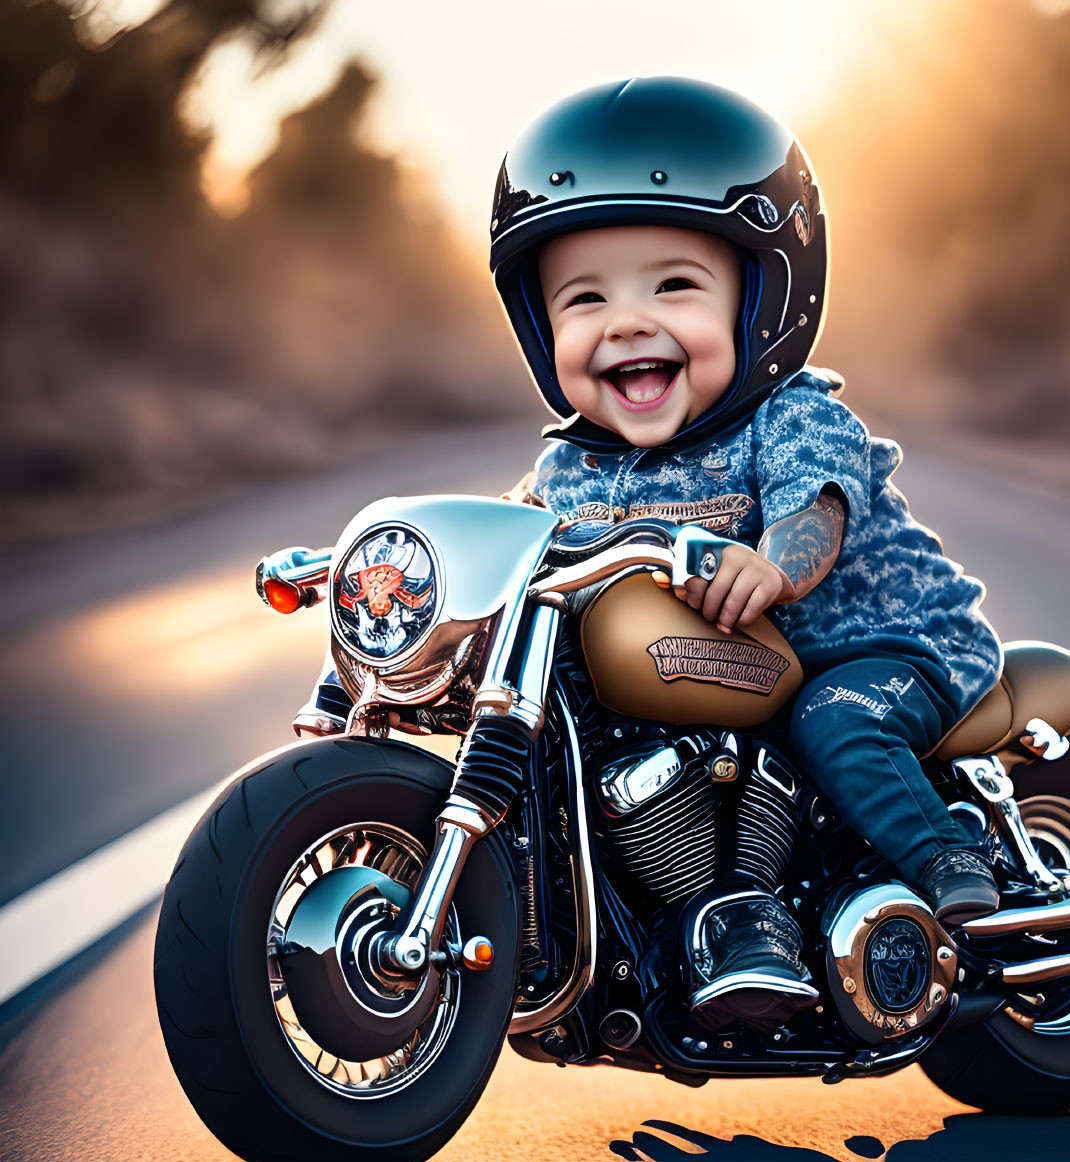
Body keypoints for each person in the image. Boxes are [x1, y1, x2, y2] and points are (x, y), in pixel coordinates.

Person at [304, 77, 1006, 1033]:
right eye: (583, 297)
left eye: (672, 284)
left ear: (761, 303)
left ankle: (948, 862)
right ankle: (670, 914)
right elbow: (507, 547)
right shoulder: (570, 464)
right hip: (735, 656)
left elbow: (817, 506)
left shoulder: (791, 416)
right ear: (538, 323)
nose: (625, 320)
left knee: (831, 720)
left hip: (874, 648)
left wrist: (775, 563)